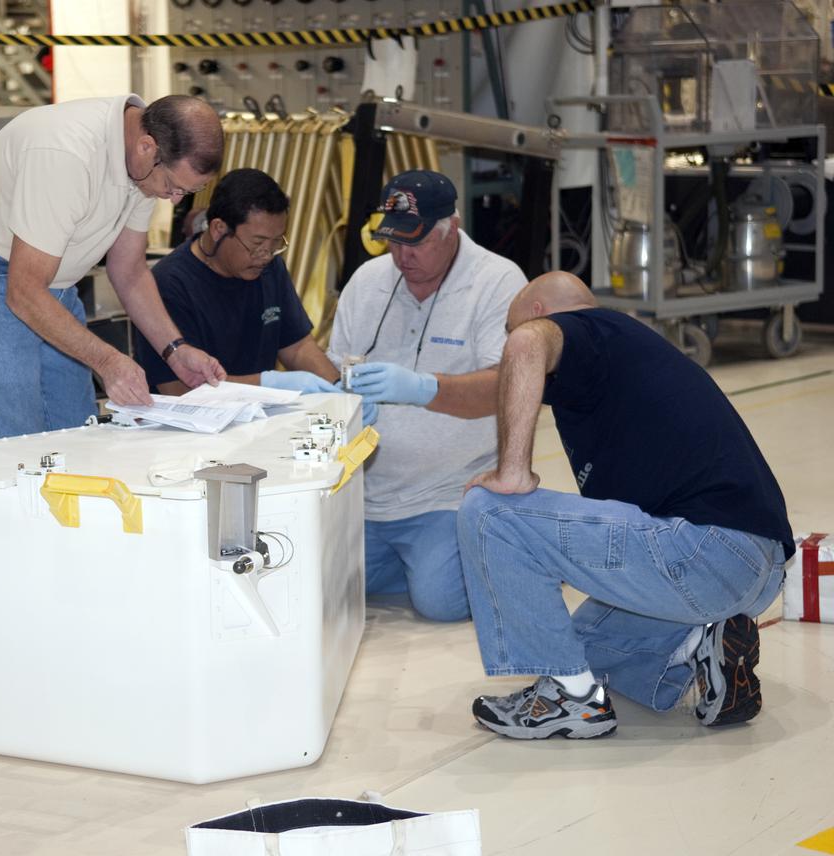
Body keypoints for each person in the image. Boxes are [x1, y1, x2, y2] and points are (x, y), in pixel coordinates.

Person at [459, 272, 792, 740]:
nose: (508, 343)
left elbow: (526, 347)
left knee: (489, 510)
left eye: (509, 329)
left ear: (538, 313)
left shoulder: (588, 331)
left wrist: (511, 471)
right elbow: (491, 385)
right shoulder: (621, 359)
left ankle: (571, 702)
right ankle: (704, 640)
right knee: (578, 653)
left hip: (704, 548)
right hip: (753, 564)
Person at [0, 94, 227, 442]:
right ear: (148, 147)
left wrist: (175, 351)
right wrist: (107, 361)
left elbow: (129, 270)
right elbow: (24, 291)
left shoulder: (144, 162)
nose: (174, 199)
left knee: (77, 435)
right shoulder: (67, 154)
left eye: (187, 192)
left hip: (52, 287)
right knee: (13, 447)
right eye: (174, 186)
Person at [328, 170, 526, 620]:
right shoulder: (367, 281)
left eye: (415, 243)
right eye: (393, 243)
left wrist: (425, 389)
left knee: (440, 602)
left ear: (451, 228)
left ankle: (506, 541)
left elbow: (508, 386)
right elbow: (337, 365)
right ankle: (421, 561)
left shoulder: (497, 281)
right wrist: (327, 389)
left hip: (451, 491)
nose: (401, 256)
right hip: (370, 493)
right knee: (323, 586)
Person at [136, 168, 349, 402]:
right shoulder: (169, 284)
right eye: (257, 243)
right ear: (219, 229)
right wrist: (267, 383)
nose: (265, 255)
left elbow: (297, 347)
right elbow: (179, 390)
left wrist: (342, 391)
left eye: (276, 243)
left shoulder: (270, 268)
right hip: (192, 431)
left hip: (257, 422)